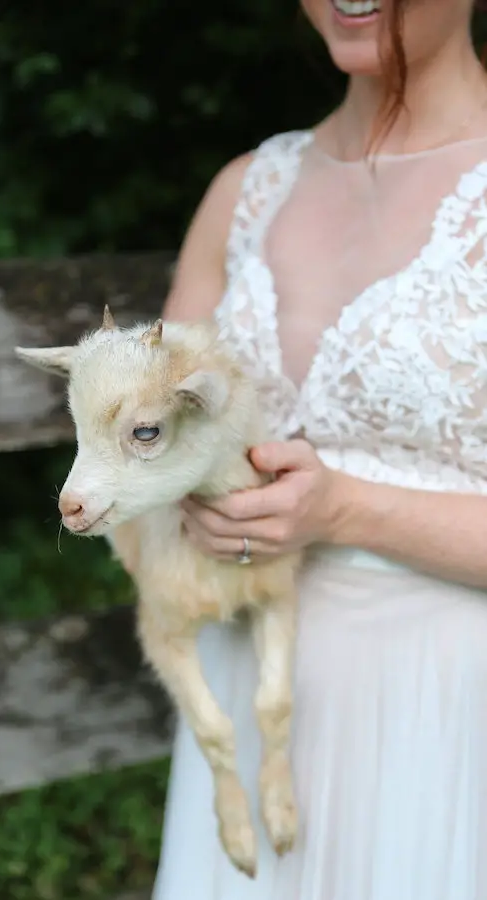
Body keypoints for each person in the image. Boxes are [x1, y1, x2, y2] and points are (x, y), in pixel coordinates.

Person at [146, 1, 487, 898]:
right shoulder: (245, 190)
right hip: (254, 692)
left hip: (451, 714)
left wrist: (346, 509)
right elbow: (146, 457)